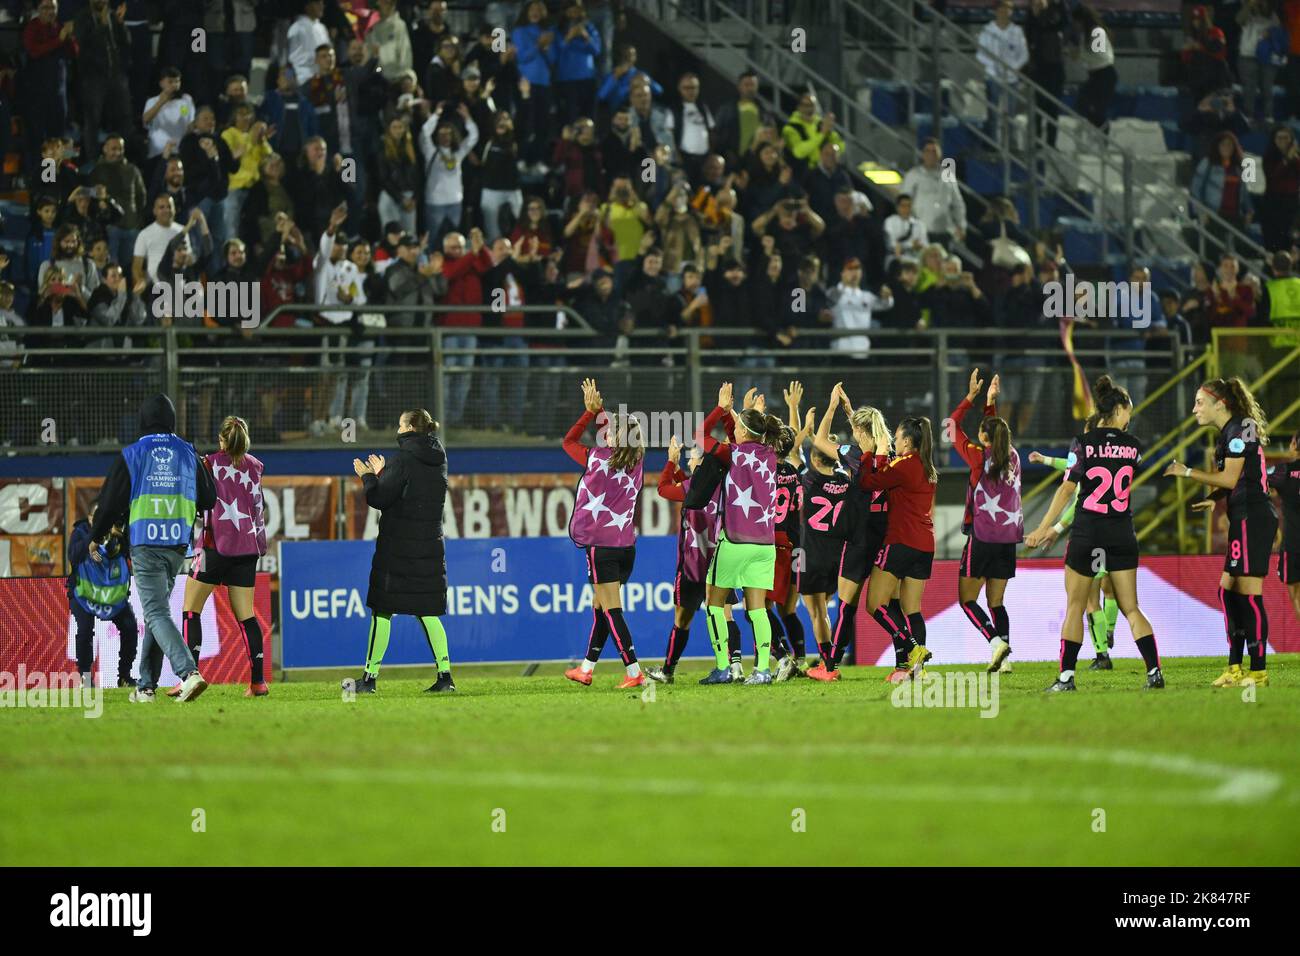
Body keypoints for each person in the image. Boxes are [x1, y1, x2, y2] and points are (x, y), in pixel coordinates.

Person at [1025, 376, 1163, 691]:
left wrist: (1044, 527)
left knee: (1075, 605)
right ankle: (1154, 673)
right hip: (1122, 530)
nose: (1132, 414)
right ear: (1118, 409)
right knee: (1131, 607)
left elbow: (1067, 488)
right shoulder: (1134, 446)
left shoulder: (1083, 443)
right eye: (1129, 409)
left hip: (1088, 531)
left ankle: (1066, 678)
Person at [89, 393, 217, 703]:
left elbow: (109, 503)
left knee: (156, 612)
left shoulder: (133, 454)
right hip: (177, 546)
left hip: (146, 544)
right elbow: (209, 499)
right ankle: (145, 687)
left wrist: (97, 535)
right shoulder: (189, 452)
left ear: (143, 419)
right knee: (158, 612)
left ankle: (188, 673)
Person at [1165, 378, 1276, 688]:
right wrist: (1213, 499)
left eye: (1200, 402)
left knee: (1248, 594)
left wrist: (1185, 472)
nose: (1194, 409)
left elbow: (1229, 479)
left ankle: (1258, 673)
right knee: (1227, 592)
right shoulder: (1227, 434)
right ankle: (1235, 668)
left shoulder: (1242, 427)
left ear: (1220, 404)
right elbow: (1240, 479)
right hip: (1242, 516)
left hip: (1253, 517)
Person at [345, 409, 455, 694]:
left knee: (382, 611)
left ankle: (368, 679)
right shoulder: (439, 458)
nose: (397, 427)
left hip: (397, 549)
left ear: (407, 428)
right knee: (428, 612)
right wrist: (385, 473)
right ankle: (445, 677)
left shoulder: (404, 459)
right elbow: (410, 492)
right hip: (429, 547)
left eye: (399, 423)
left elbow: (381, 498)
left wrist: (369, 477)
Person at [173, 416, 268, 698]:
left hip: (215, 546)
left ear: (221, 440)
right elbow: (258, 509)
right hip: (247, 549)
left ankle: (190, 677)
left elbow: (196, 503)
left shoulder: (208, 463)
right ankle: (258, 683)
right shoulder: (256, 467)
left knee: (191, 609)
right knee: (247, 617)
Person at [695, 383, 784, 685]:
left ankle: (724, 666)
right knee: (757, 609)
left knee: (714, 603)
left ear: (741, 433)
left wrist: (721, 409)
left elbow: (701, 436)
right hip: (765, 544)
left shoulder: (730, 453)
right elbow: (750, 435)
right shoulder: (770, 454)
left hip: (734, 540)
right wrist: (746, 414)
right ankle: (762, 670)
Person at [562, 379, 646, 688]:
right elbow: (626, 435)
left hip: (602, 547)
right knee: (600, 607)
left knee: (611, 610)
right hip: (626, 547)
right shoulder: (637, 460)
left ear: (614, 436)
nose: (604, 432)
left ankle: (634, 671)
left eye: (608, 430)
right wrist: (603, 414)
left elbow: (568, 442)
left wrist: (590, 413)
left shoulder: (597, 459)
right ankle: (586, 668)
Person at [643, 433, 741, 684]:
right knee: (725, 612)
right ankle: (735, 667)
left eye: (692, 458)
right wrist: (677, 470)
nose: (689, 463)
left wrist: (669, 462)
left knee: (682, 619)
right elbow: (690, 489)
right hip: (719, 559)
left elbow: (665, 489)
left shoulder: (694, 486)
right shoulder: (725, 484)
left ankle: (668, 671)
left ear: (705, 461)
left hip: (692, 564)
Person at [950, 370, 1021, 672]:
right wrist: (991, 405)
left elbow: (951, 426)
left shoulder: (978, 456)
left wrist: (972, 397)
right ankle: (1004, 661)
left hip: (981, 537)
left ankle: (995, 642)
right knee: (996, 602)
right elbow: (996, 435)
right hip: (1007, 540)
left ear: (982, 437)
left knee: (967, 599)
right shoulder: (1014, 456)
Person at [68, 499, 138, 689]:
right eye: (98, 518)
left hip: (112, 597)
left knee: (130, 627)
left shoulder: (118, 531)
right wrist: (92, 539)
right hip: (83, 594)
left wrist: (121, 539)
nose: (102, 521)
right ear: (90, 518)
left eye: (105, 518)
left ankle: (124, 676)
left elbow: (132, 553)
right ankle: (85, 677)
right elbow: (73, 555)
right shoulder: (80, 531)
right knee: (84, 630)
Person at [1268, 431, 1300, 626]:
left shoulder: (1283, 471)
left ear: (1295, 445)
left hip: (1294, 544)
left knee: (1296, 594)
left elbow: (1257, 478)